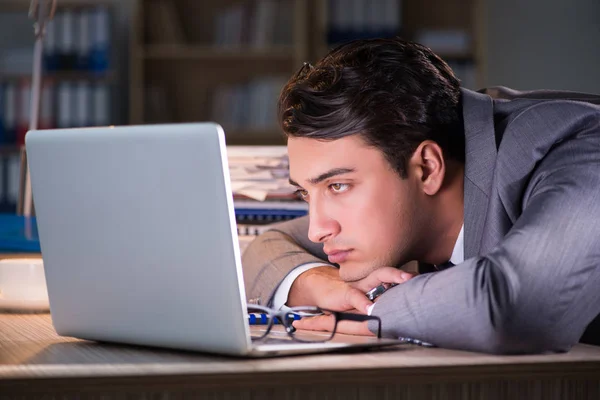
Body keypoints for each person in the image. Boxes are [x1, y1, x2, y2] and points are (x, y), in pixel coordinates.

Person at [241, 37, 600, 354]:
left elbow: (518, 307)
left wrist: (377, 310)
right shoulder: (392, 200)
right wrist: (321, 283)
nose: (318, 230)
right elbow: (269, 243)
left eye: (338, 186)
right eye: (306, 193)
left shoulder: (580, 147)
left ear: (427, 167)